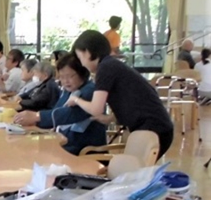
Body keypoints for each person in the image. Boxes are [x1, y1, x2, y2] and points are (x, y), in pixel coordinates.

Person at [70, 30, 174, 158]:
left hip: (153, 129)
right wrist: (110, 119)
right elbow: (132, 98)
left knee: (135, 174)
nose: (82, 63)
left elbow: (95, 109)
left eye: (80, 57)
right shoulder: (111, 64)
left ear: (87, 52)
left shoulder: (105, 67)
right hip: (157, 126)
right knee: (135, 173)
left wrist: (75, 99)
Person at [13, 54, 107, 155]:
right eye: (62, 77)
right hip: (63, 142)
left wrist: (36, 117)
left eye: (70, 76)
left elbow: (69, 114)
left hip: (83, 149)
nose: (66, 81)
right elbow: (57, 110)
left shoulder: (90, 90)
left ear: (82, 73)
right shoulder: (68, 90)